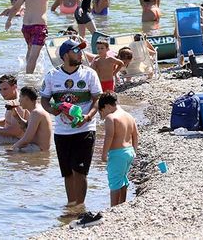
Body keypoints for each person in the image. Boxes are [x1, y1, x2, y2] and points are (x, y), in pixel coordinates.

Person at [40, 38, 102, 207]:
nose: (80, 53)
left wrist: (88, 116)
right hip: (61, 131)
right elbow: (44, 100)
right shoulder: (52, 76)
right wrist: (53, 110)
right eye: (76, 51)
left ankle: (80, 207)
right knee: (67, 173)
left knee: (80, 170)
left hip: (85, 128)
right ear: (65, 55)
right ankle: (71, 204)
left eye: (81, 50)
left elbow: (97, 99)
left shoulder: (89, 74)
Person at [5, 0, 81, 74]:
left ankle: (26, 71)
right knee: (34, 56)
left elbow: (16, 7)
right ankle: (28, 80)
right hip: (38, 27)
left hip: (26, 26)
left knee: (30, 50)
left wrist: (9, 20)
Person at [99, 93, 139, 207]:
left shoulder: (111, 117)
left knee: (114, 182)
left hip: (117, 153)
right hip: (129, 151)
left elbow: (109, 136)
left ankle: (114, 207)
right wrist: (134, 151)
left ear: (107, 106)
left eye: (102, 111)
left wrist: (104, 154)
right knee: (123, 178)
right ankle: (122, 204)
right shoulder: (129, 116)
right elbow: (136, 135)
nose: (102, 116)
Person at [7, 86, 53, 153]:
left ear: (26, 98)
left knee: (8, 153)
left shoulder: (36, 112)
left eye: (20, 97)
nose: (19, 100)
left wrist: (12, 148)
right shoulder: (35, 110)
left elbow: (27, 139)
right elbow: (26, 128)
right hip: (35, 147)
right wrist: (16, 116)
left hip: (39, 149)